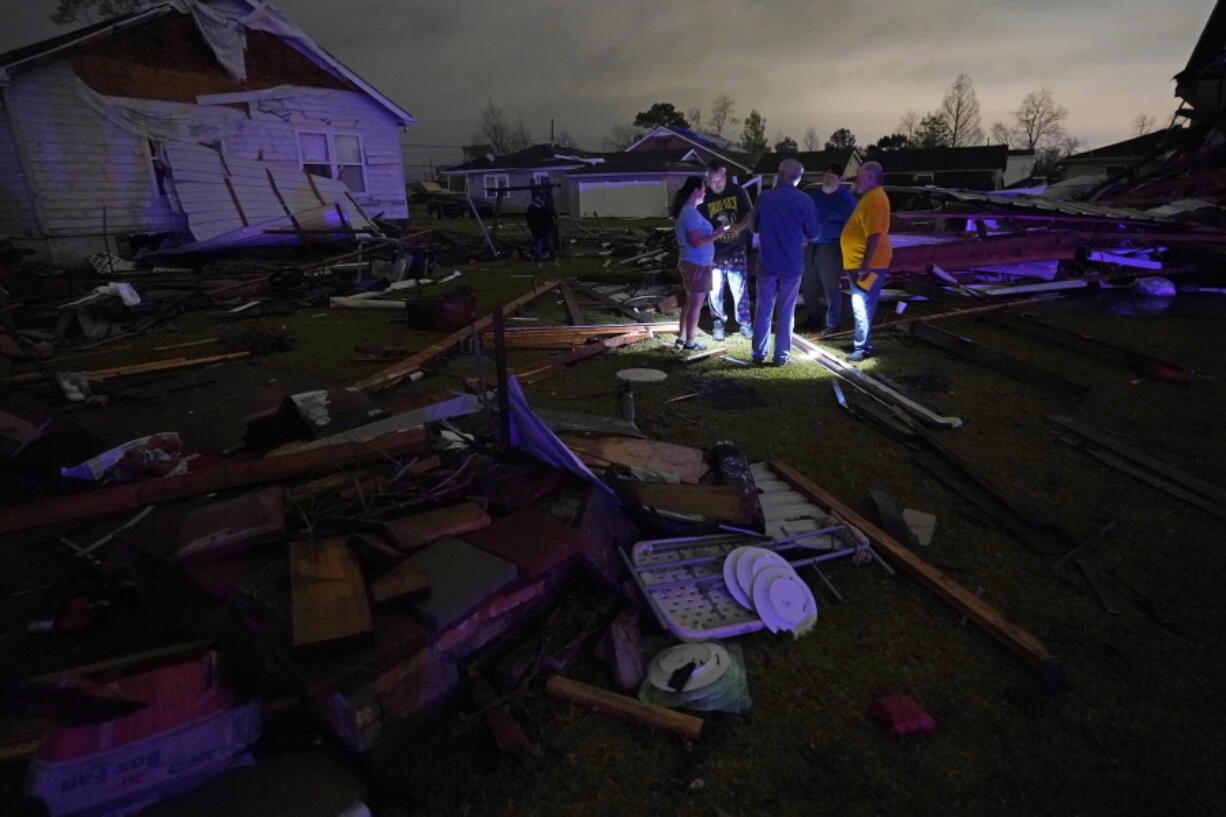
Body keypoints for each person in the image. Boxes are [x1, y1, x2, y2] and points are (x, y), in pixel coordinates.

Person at [750, 158, 819, 365]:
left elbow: (753, 227)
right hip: (792, 264)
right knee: (786, 311)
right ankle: (781, 356)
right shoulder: (804, 200)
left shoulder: (765, 198)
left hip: (767, 263)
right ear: (797, 177)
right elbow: (815, 234)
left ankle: (758, 354)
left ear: (779, 173)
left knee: (763, 308)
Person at [840, 161, 892, 362]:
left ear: (869, 177)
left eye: (859, 175)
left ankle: (862, 348)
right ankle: (862, 343)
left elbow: (874, 235)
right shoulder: (871, 198)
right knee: (860, 303)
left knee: (862, 304)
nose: (856, 178)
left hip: (868, 265)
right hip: (861, 262)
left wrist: (865, 265)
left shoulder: (875, 199)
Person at [697, 159, 754, 341]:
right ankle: (718, 322)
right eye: (712, 181)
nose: (717, 184)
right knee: (714, 289)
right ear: (707, 180)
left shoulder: (738, 192)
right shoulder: (704, 198)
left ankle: (745, 324)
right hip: (714, 251)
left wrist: (739, 226)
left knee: (740, 288)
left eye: (719, 179)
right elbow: (699, 225)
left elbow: (749, 213)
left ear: (724, 175)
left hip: (736, 248)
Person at [672, 176, 729, 351]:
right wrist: (718, 233)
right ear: (696, 190)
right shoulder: (690, 213)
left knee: (690, 302)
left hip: (694, 262)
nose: (705, 193)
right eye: (703, 190)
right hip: (696, 265)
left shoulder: (688, 211)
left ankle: (682, 339)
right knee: (696, 304)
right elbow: (696, 242)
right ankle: (690, 342)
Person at [801, 163, 857, 335]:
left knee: (830, 286)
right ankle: (813, 317)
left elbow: (852, 226)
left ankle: (833, 323)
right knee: (808, 284)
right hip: (811, 246)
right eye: (825, 175)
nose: (827, 179)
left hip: (832, 247)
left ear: (839, 180)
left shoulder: (846, 200)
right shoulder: (813, 196)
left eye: (832, 176)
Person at [525, 187, 553, 264]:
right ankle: (538, 261)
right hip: (538, 230)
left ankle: (553, 259)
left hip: (546, 229)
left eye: (539, 197)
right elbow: (530, 220)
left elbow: (549, 214)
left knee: (550, 245)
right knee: (539, 246)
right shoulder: (532, 208)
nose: (538, 198)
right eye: (537, 197)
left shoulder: (543, 206)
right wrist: (533, 230)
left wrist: (544, 207)